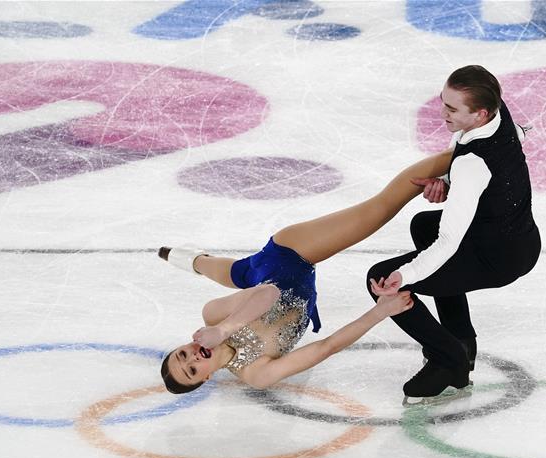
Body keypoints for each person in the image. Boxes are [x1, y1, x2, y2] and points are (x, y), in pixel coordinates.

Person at [158, 150, 453, 394]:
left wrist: (222, 330)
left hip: (289, 256)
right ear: (205, 378)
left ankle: (466, 153)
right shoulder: (256, 373)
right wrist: (381, 311)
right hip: (267, 278)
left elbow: (269, 292)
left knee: (379, 208)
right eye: (192, 369)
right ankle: (193, 259)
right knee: (237, 271)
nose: (193, 357)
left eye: (183, 354)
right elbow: (326, 348)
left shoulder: (213, 317)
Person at [368, 65, 541, 405]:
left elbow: (449, 240)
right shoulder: (499, 116)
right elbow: (516, 136)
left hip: (497, 258)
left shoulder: (472, 163)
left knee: (380, 277)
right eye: (443, 102)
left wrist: (405, 276)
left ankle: (449, 360)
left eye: (451, 109)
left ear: (480, 114)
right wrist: (448, 185)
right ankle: (461, 338)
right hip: (518, 239)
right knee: (423, 225)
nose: (442, 112)